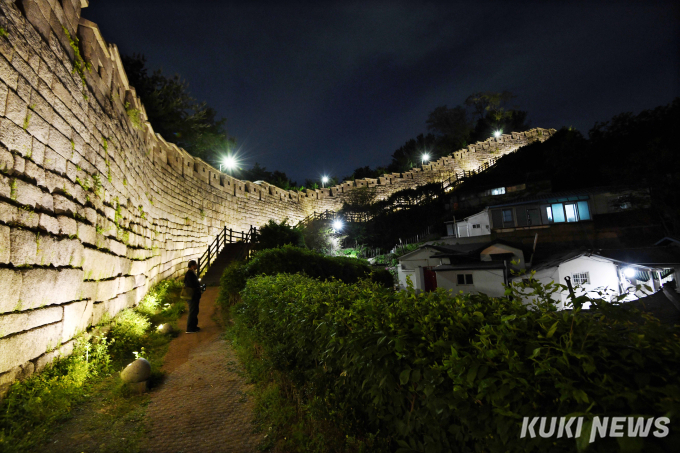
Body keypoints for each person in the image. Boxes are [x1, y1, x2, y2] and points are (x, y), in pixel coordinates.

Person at [184, 260, 202, 333]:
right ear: (192, 266)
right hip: (192, 296)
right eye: (195, 265)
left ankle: (194, 327)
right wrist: (197, 287)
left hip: (194, 295)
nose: (197, 266)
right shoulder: (189, 274)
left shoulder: (191, 273)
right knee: (192, 311)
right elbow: (190, 285)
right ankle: (189, 328)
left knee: (195, 311)